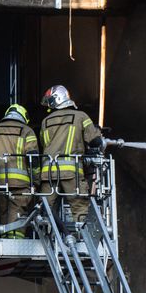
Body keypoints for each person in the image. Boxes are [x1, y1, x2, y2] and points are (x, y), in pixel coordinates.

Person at [38, 84, 104, 223]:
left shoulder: (45, 121)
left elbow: (44, 144)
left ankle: (49, 237)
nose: (49, 105)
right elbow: (95, 141)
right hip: (71, 172)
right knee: (79, 208)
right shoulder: (81, 116)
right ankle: (79, 238)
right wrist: (97, 130)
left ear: (57, 99)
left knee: (46, 211)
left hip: (48, 173)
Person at [0, 103, 38, 238]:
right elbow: (33, 158)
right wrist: (37, 180)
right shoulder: (27, 131)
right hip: (20, 183)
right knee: (17, 216)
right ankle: (15, 241)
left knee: (1, 215)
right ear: (23, 116)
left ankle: (3, 239)